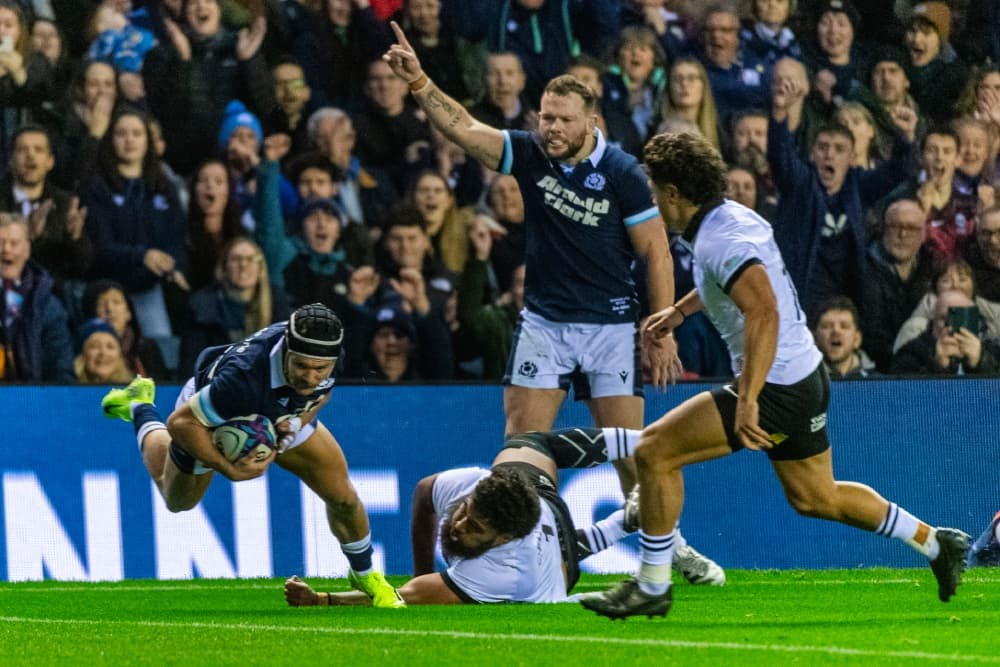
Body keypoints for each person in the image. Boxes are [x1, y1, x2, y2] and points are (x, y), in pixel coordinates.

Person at [578, 131, 970, 620]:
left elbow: (763, 310)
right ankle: (936, 543)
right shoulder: (731, 219)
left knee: (653, 451)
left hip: (775, 385)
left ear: (675, 193)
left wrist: (748, 399)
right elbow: (735, 284)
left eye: (656, 189)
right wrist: (679, 312)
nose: (653, 198)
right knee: (815, 497)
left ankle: (653, 585)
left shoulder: (720, 237)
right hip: (801, 375)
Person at [382, 21, 681, 497]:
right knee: (521, 448)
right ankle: (531, 550)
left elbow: (657, 254)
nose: (553, 128)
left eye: (564, 120)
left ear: (591, 123)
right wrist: (419, 81)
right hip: (544, 323)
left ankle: (667, 548)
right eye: (546, 117)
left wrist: (660, 334)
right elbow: (464, 127)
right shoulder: (529, 153)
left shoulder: (622, 171)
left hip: (611, 326)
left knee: (632, 455)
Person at [100, 302, 405, 608]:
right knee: (176, 499)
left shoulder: (327, 353)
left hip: (280, 411)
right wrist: (226, 468)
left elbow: (320, 393)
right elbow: (180, 423)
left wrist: (297, 421)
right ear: (286, 351)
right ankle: (140, 405)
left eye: (319, 369)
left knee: (342, 495)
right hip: (212, 416)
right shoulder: (241, 379)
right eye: (301, 366)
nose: (310, 376)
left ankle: (366, 576)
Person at [284, 426, 723, 605]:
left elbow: (401, 598)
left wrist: (322, 600)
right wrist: (423, 569)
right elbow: (422, 497)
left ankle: (631, 517)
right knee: (528, 442)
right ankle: (641, 446)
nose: (457, 524)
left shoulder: (505, 571)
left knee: (566, 553)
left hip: (556, 567)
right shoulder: (474, 486)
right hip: (541, 500)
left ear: (502, 539)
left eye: (474, 527)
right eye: (464, 514)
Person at [860, 199, 933, 372]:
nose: (903, 235)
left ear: (923, 235)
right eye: (895, 226)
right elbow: (871, 334)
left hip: (926, 367)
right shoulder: (862, 271)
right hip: (878, 370)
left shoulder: (934, 270)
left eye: (912, 228)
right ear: (883, 229)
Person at [0, 212, 73, 382]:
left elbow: (60, 367)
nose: (6, 249)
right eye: (1, 242)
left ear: (27, 249)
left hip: (34, 400)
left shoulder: (48, 304)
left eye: (14, 243)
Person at [889, 288, 1000, 376]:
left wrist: (980, 360)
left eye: (959, 317)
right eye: (944, 318)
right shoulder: (912, 353)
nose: (951, 325)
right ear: (933, 320)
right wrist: (938, 366)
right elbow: (903, 396)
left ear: (973, 320)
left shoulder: (992, 349)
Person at [812, 296, 876, 379]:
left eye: (844, 326)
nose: (836, 331)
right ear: (815, 339)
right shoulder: (805, 385)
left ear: (857, 339)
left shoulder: (880, 385)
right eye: (827, 326)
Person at [73, 316, 133, 384]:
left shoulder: (137, 391)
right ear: (82, 355)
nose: (103, 352)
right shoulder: (66, 390)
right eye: (94, 346)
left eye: (110, 347)